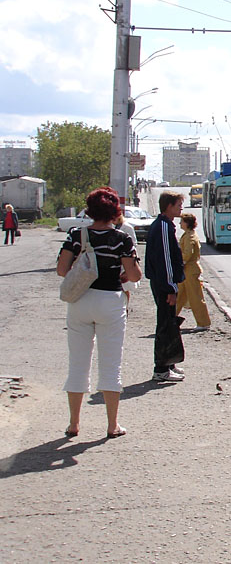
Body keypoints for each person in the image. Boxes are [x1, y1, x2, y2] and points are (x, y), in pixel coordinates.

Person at [56, 187, 142, 439]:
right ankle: (112, 425)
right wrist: (123, 271)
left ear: (90, 210)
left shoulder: (76, 234)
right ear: (114, 211)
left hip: (80, 301)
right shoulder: (121, 238)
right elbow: (135, 275)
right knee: (111, 363)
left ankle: (74, 424)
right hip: (110, 302)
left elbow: (62, 270)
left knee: (78, 363)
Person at [145, 192, 186, 382]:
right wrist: (170, 287)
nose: (181, 208)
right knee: (165, 326)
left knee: (170, 324)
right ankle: (161, 369)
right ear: (168, 206)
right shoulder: (162, 227)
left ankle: (169, 364)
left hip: (165, 283)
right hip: (164, 285)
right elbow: (165, 260)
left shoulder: (166, 225)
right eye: (178, 204)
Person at [175, 212, 211, 332]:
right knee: (179, 295)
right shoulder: (188, 234)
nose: (180, 223)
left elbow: (187, 253)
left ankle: (203, 322)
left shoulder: (190, 236)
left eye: (182, 221)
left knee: (195, 297)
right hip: (186, 271)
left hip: (190, 270)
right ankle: (170, 319)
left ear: (187, 223)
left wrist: (180, 261)